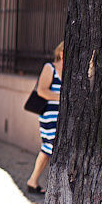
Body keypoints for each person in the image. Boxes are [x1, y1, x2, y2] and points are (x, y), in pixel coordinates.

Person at [26, 41, 63, 194]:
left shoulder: (71, 71)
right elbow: (42, 91)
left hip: (61, 115)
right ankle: (40, 182)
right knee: (50, 146)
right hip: (48, 115)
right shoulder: (50, 68)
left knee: (49, 148)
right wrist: (63, 97)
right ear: (60, 53)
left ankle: (32, 181)